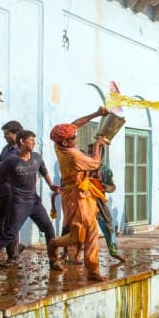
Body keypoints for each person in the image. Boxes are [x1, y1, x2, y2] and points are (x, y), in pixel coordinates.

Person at [48, 107, 109, 281]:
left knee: (85, 234)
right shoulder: (74, 156)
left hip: (79, 192)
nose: (77, 137)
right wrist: (98, 145)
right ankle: (55, 244)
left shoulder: (58, 145)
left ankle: (92, 269)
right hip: (77, 196)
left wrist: (96, 114)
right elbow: (96, 163)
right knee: (83, 234)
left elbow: (75, 124)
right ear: (66, 142)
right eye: (74, 138)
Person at [0, 130, 60, 268]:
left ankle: (54, 261)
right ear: (22, 141)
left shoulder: (37, 157)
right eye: (31, 140)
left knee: (49, 229)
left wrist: (51, 185)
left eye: (34, 140)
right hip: (19, 202)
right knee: (10, 233)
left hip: (34, 201)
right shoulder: (11, 161)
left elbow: (43, 170)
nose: (34, 143)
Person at [88, 144, 126, 262]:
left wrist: (103, 186)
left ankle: (113, 250)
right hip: (83, 199)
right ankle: (69, 253)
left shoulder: (105, 171)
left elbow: (112, 187)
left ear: (101, 155)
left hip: (99, 201)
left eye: (93, 153)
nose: (90, 155)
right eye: (89, 152)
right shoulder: (83, 167)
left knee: (108, 225)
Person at [0, 120, 23, 264]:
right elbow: (1, 162)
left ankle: (14, 256)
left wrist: (0, 165)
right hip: (1, 190)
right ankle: (13, 246)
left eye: (7, 133)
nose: (5, 136)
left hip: (13, 192)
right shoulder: (7, 148)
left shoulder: (22, 150)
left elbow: (16, 169)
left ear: (16, 133)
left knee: (10, 225)